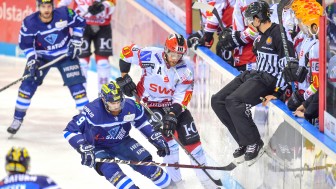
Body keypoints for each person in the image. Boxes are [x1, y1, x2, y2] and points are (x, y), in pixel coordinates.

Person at [116, 33, 220, 188]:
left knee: (194, 145)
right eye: (172, 53)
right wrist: (125, 76)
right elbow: (126, 52)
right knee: (168, 144)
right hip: (149, 105)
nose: (174, 58)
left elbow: (182, 97)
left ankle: (210, 184)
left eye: (179, 54)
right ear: (165, 49)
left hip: (173, 107)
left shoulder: (185, 70)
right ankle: (176, 184)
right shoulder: (149, 55)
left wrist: (172, 115)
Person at [211, 1, 301, 165]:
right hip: (255, 74)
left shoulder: (279, 34)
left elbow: (287, 68)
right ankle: (244, 142)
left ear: (258, 18)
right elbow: (261, 60)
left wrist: (277, 92)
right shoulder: (260, 36)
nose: (249, 23)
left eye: (251, 19)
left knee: (234, 101)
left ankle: (254, 141)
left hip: (268, 79)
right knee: (217, 101)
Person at [63, 81, 172, 189]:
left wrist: (154, 137)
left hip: (122, 141)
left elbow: (142, 123)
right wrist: (82, 147)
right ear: (103, 100)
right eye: (112, 103)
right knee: (115, 175)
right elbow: (70, 130)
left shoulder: (131, 106)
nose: (116, 106)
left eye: (118, 102)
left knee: (150, 169)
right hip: (97, 147)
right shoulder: (92, 111)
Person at [7, 0, 89, 135]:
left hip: (65, 56)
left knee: (78, 89)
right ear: (38, 7)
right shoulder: (29, 22)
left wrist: (76, 41)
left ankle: (88, 122)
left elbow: (80, 22)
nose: (46, 9)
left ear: (53, 6)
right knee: (26, 87)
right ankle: (17, 119)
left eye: (49, 6)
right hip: (41, 58)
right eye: (43, 6)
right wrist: (32, 61)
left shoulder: (64, 13)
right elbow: (26, 45)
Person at [58, 0, 116, 92]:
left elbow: (112, 3)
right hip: (81, 27)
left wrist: (103, 6)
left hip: (103, 27)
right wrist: (64, 15)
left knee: (103, 63)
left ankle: (104, 97)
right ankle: (82, 95)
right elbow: (62, 4)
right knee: (82, 62)